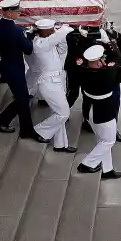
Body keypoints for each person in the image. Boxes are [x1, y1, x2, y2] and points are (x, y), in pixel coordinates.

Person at [0, 0, 48, 143]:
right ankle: (17, 127)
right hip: (15, 70)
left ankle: (13, 125)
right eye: (17, 12)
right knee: (23, 99)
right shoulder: (17, 31)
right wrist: (29, 36)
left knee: (22, 98)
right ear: (9, 13)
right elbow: (28, 50)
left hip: (5, 67)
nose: (19, 14)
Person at [76, 45, 121, 180]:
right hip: (104, 113)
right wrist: (108, 43)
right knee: (109, 141)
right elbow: (117, 59)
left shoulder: (82, 70)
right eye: (101, 59)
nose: (103, 61)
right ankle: (87, 163)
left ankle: (107, 169)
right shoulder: (106, 74)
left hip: (91, 111)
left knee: (102, 140)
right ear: (98, 62)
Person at [30, 18, 76, 153]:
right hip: (49, 83)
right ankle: (38, 130)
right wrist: (66, 27)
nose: (53, 32)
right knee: (63, 113)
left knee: (58, 113)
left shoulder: (48, 42)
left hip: (56, 81)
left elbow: (62, 48)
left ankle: (60, 145)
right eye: (50, 30)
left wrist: (61, 34)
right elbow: (59, 35)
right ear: (42, 31)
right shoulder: (40, 44)